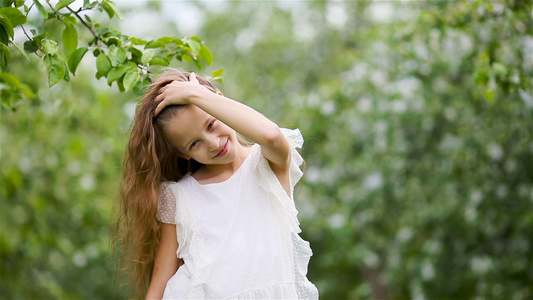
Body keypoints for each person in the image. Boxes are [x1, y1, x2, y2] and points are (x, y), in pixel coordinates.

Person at [114, 68, 318, 300]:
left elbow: (270, 135)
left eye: (210, 124)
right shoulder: (180, 195)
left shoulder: (267, 164)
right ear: (184, 155)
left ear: (218, 103)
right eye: (194, 144)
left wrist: (195, 95)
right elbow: (159, 285)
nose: (212, 143)